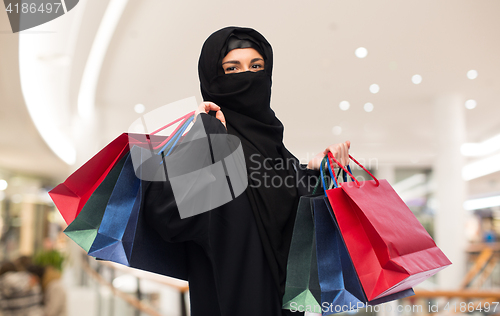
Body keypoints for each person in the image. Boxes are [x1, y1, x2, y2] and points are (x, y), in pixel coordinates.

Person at [142, 26, 350, 316]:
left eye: (256, 66)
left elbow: (293, 220)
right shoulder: (203, 137)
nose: (247, 76)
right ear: (213, 78)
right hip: (228, 299)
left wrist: (316, 174)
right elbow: (167, 215)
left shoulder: (275, 147)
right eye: (232, 68)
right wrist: (208, 143)